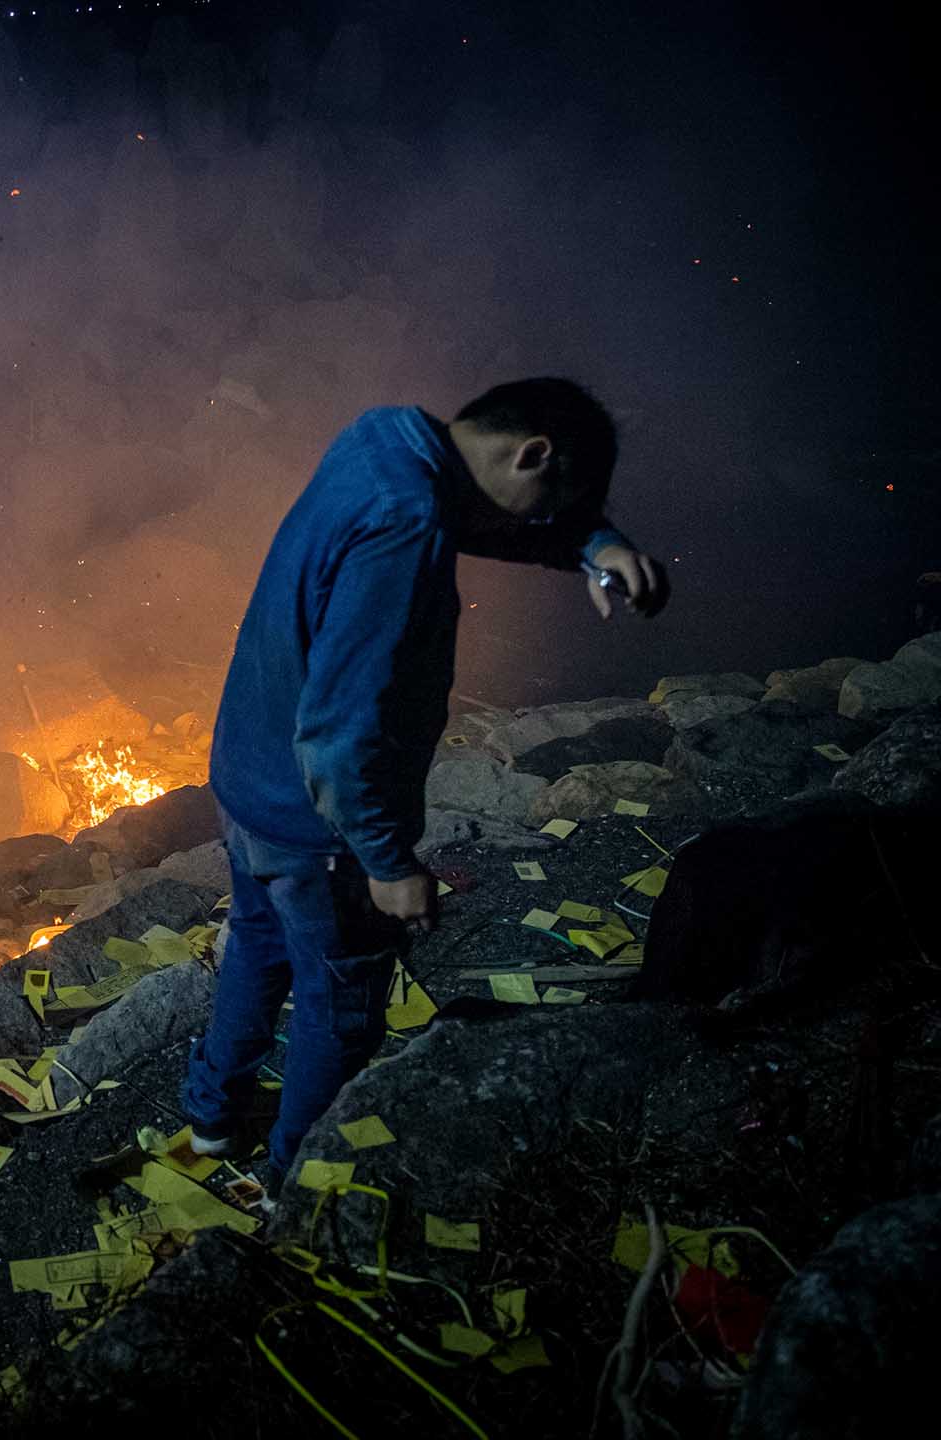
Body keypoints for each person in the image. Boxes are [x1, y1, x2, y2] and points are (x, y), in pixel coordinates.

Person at [182, 380, 671, 1184]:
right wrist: (387, 865)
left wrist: (592, 542)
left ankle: (209, 1119)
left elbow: (480, 513)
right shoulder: (405, 527)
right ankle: (293, 1180)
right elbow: (338, 740)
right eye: (553, 499)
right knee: (342, 1006)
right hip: (316, 824)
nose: (536, 522)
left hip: (246, 777)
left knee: (259, 947)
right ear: (531, 454)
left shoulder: (386, 439)